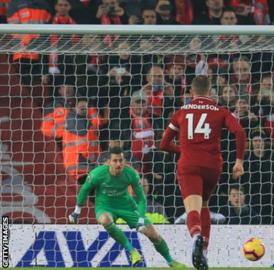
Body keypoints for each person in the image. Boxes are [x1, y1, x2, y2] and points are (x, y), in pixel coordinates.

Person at [159, 75, 246, 270]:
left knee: (193, 210)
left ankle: (197, 236)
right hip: (212, 167)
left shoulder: (181, 112)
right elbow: (239, 132)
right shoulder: (220, 111)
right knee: (205, 205)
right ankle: (204, 252)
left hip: (189, 165)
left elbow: (163, 144)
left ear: (191, 92)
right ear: (210, 92)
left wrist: (186, 150)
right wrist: (239, 161)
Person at [68, 147, 186, 268]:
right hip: (105, 207)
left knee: (153, 235)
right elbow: (84, 190)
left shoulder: (131, 174)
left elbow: (141, 198)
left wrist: (140, 219)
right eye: (115, 161)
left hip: (127, 206)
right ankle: (132, 251)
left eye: (121, 160)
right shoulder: (96, 174)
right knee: (104, 220)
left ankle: (171, 261)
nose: (118, 163)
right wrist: (77, 211)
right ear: (108, 162)